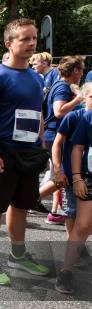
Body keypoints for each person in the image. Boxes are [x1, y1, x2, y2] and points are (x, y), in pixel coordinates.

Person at [0, 18, 51, 285]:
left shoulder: (34, 76)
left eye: (34, 39)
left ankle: (18, 254)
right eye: (25, 39)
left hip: (29, 153)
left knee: (21, 206)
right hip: (3, 152)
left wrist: (41, 147)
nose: (32, 43)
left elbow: (37, 113)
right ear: (9, 43)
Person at [39, 55, 85, 225]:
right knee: (62, 176)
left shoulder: (60, 85)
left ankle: (27, 202)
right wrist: (78, 99)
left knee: (61, 177)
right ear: (75, 70)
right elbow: (59, 112)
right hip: (57, 136)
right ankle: (26, 202)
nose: (82, 74)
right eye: (81, 70)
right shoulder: (63, 88)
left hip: (55, 135)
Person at [51, 82, 92, 246]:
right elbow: (57, 143)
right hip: (71, 173)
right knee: (72, 211)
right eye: (91, 97)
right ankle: (73, 246)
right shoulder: (74, 116)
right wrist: (57, 169)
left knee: (85, 218)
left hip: (89, 175)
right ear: (83, 98)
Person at [60, 107, 92, 294]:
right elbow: (77, 148)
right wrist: (77, 177)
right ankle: (65, 273)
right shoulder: (88, 116)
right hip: (88, 178)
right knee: (82, 226)